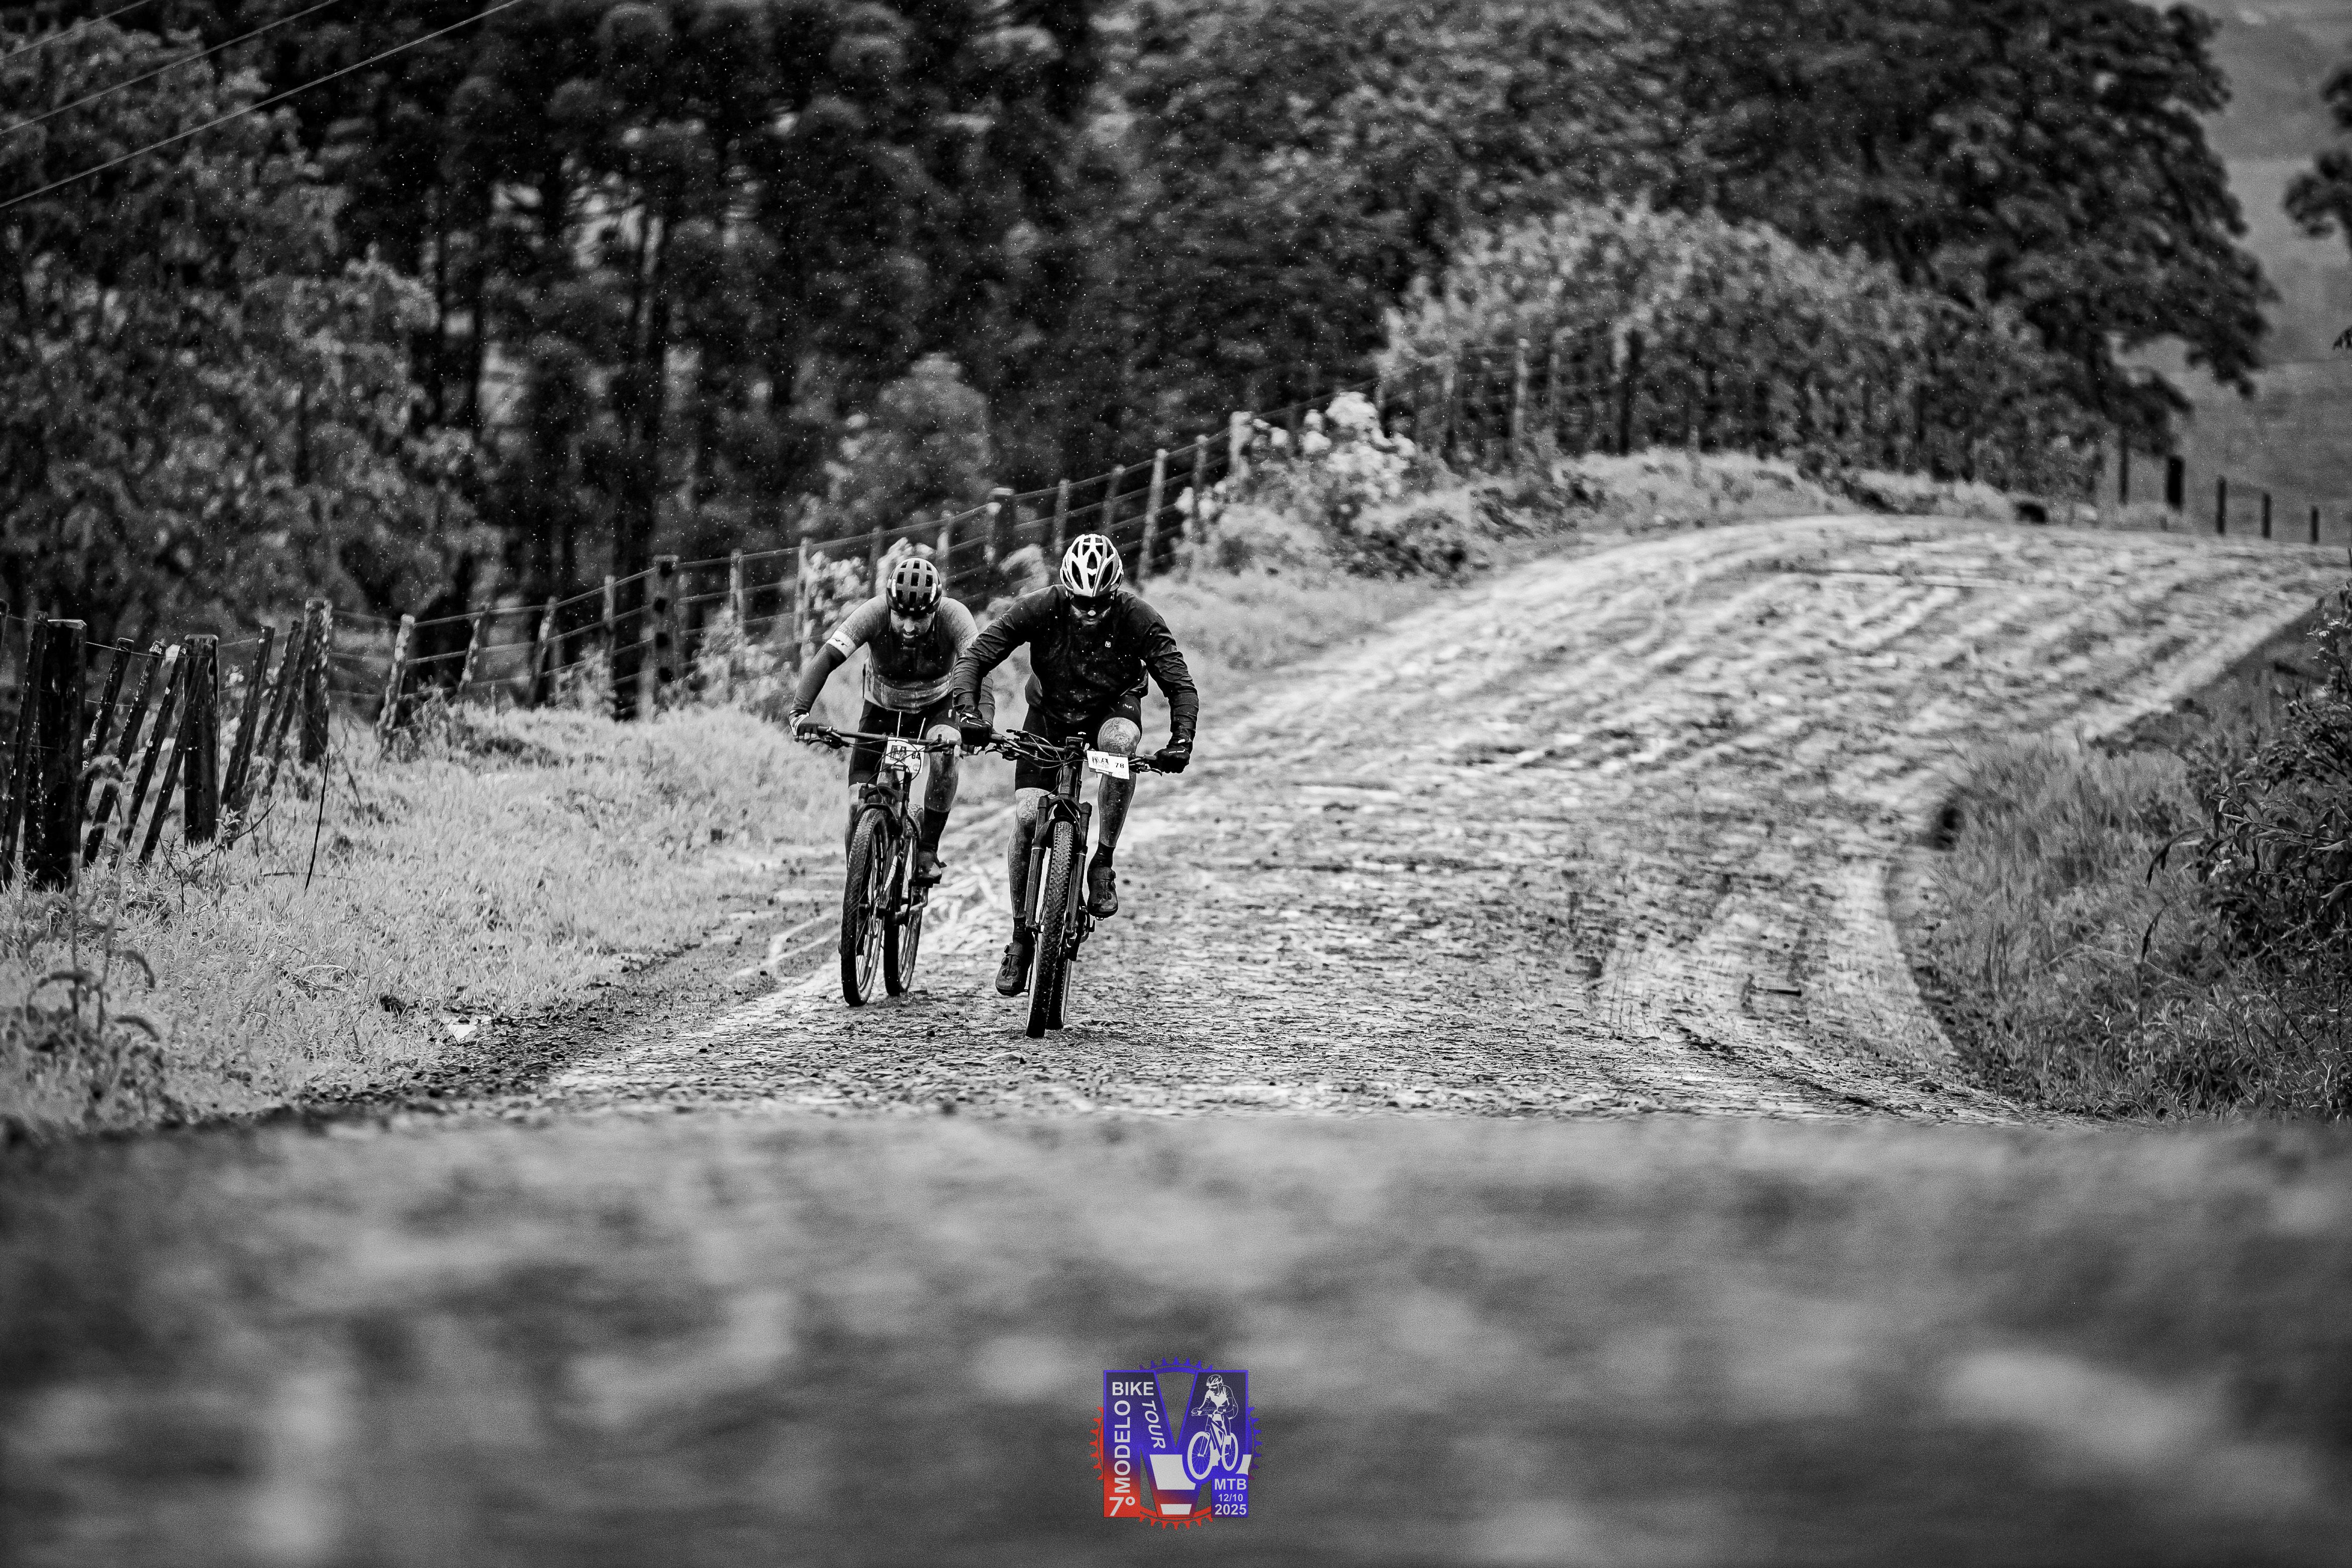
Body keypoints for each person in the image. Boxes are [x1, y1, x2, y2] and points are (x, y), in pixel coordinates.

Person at [947, 533, 1197, 997]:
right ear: (1066, 591)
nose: (1090, 613)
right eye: (1082, 603)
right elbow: (976, 657)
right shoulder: (1040, 607)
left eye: (1100, 604)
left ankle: (1102, 862)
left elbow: (1179, 684)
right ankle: (1021, 938)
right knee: (1027, 816)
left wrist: (1181, 741)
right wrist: (969, 715)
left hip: (1112, 710)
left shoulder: (1138, 616)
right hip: (1049, 715)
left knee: (1119, 747)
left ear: (1116, 593)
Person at [789, 552, 984, 886]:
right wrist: (800, 712)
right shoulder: (873, 613)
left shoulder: (954, 616)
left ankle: (927, 850)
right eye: (901, 616)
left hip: (937, 708)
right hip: (882, 709)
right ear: (889, 607)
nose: (908, 627)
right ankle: (858, 887)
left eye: (919, 619)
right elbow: (828, 657)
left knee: (945, 755)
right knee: (856, 804)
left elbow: (978, 667)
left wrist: (975, 719)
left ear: (935, 610)